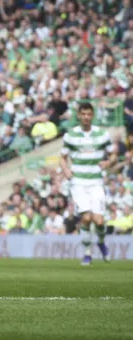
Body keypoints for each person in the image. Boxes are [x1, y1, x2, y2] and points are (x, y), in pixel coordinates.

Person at [60, 102, 117, 265]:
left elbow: (113, 154)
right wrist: (66, 171)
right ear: (78, 115)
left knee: (99, 220)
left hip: (96, 182)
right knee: (86, 217)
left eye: (88, 114)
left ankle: (100, 241)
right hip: (78, 182)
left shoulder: (101, 134)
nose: (86, 117)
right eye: (83, 114)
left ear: (92, 116)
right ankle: (86, 252)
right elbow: (62, 157)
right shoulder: (71, 135)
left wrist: (108, 163)